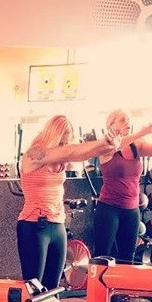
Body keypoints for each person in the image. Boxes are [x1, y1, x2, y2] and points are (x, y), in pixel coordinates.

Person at [18, 115, 115, 288]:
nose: (65, 147)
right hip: (34, 226)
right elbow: (71, 151)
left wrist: (107, 143)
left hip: (58, 225)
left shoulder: (61, 158)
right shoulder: (34, 154)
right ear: (53, 136)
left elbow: (81, 153)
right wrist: (101, 142)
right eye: (62, 143)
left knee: (53, 288)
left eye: (67, 143)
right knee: (34, 288)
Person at [93, 110, 152, 264]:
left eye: (129, 120)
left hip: (131, 209)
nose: (128, 122)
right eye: (123, 120)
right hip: (108, 208)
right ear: (111, 125)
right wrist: (144, 131)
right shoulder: (106, 145)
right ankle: (99, 287)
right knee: (102, 255)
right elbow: (117, 144)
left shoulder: (137, 146)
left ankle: (122, 288)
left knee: (128, 257)